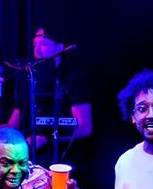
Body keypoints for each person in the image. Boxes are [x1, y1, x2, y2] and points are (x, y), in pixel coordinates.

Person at [6, 25, 92, 165]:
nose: (37, 50)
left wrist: (47, 139)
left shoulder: (73, 77)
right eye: (35, 45)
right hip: (25, 158)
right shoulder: (30, 78)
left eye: (43, 44)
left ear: (60, 47)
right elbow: (12, 125)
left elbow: (84, 127)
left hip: (62, 159)